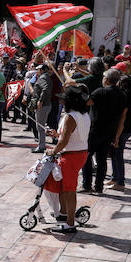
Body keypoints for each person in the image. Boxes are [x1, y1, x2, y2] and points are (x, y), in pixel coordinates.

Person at [44, 85, 91, 233]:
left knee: (69, 190)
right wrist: (57, 135)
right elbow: (71, 135)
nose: (61, 102)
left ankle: (70, 223)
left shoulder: (70, 116)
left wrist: (53, 151)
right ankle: (64, 214)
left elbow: (64, 142)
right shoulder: (84, 115)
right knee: (65, 188)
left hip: (71, 156)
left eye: (63, 100)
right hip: (80, 153)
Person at [81, 68, 126, 194]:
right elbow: (123, 116)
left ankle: (87, 185)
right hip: (110, 131)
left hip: (95, 130)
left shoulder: (100, 91)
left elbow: (87, 102)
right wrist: (117, 135)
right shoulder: (122, 94)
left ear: (106, 79)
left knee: (87, 157)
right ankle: (99, 186)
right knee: (102, 160)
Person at [108, 69, 131, 190]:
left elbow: (122, 118)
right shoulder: (129, 97)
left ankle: (120, 182)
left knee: (118, 154)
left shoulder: (124, 98)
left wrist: (116, 136)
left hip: (123, 129)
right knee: (115, 153)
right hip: (127, 128)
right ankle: (114, 178)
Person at [29, 64, 53, 153]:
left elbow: (45, 89)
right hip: (45, 105)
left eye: (38, 69)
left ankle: (41, 146)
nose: (37, 71)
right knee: (40, 126)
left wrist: (40, 101)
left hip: (43, 106)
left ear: (42, 70)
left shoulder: (43, 78)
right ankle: (41, 145)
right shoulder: (46, 77)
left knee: (40, 127)